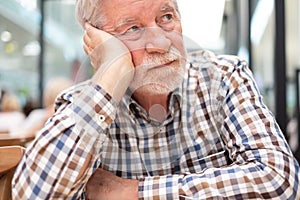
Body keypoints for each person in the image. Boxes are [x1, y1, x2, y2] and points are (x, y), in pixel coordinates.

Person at [12, 0, 300, 199]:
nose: (161, 43)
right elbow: (33, 194)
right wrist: (110, 75)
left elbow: (281, 181)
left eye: (166, 17)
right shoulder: (83, 103)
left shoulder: (224, 77)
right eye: (133, 28)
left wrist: (133, 192)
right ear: (96, 41)